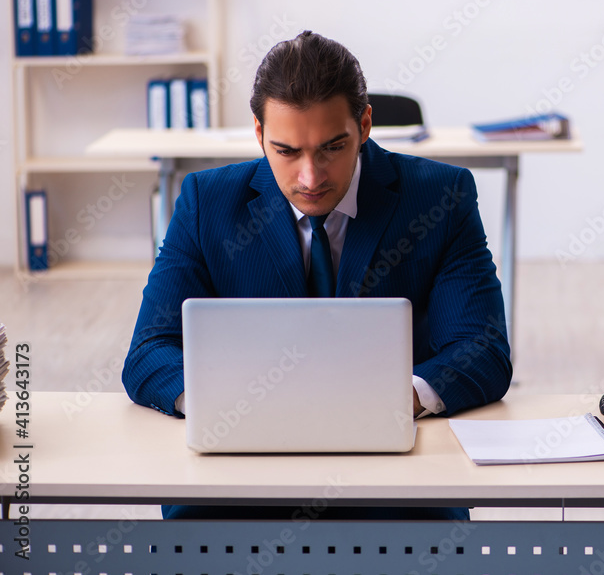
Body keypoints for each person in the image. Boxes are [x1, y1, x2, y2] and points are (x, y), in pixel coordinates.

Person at [122, 30, 512, 520]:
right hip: (238, 475)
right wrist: (223, 403)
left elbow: (484, 351)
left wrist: (396, 401)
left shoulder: (440, 197)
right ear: (260, 134)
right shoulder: (207, 202)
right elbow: (147, 353)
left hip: (394, 476)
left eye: (332, 147)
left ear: (365, 125)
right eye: (286, 151)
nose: (310, 177)